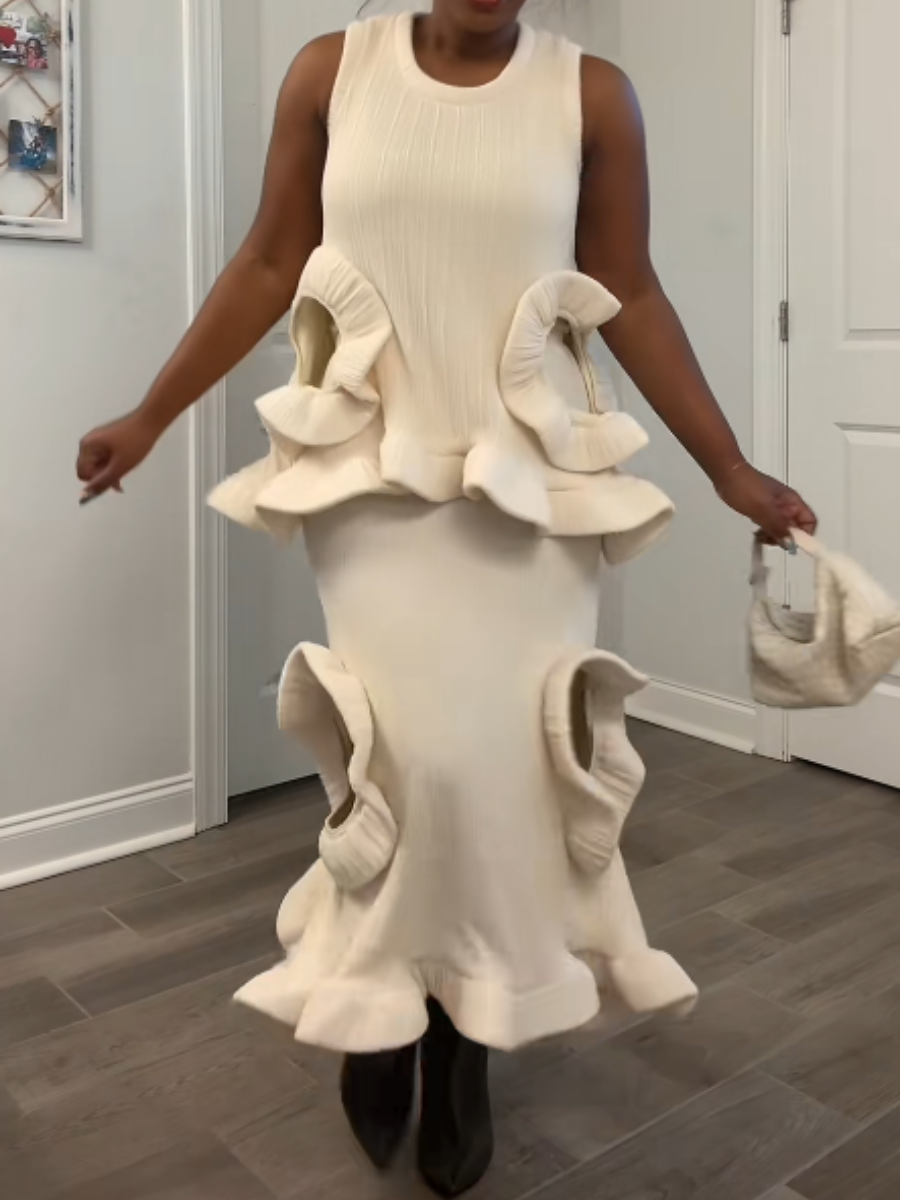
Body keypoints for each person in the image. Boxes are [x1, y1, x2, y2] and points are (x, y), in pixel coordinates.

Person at [77, 1, 818, 1195]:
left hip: (534, 493)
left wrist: (728, 465)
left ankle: (460, 1034)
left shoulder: (591, 93)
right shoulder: (331, 72)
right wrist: (151, 414)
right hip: (374, 479)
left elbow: (628, 289)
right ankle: (384, 1004)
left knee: (506, 773)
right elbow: (270, 261)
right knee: (402, 761)